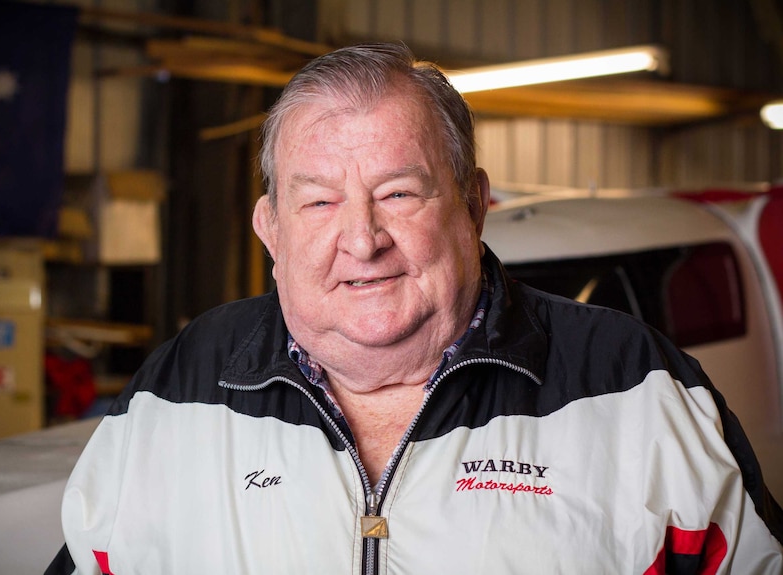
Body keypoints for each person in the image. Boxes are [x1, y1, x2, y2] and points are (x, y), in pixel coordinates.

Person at [46, 42, 783, 574]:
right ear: (270, 228)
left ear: (473, 204)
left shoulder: (637, 383)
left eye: (399, 193)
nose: (361, 239)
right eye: (318, 200)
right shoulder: (176, 387)